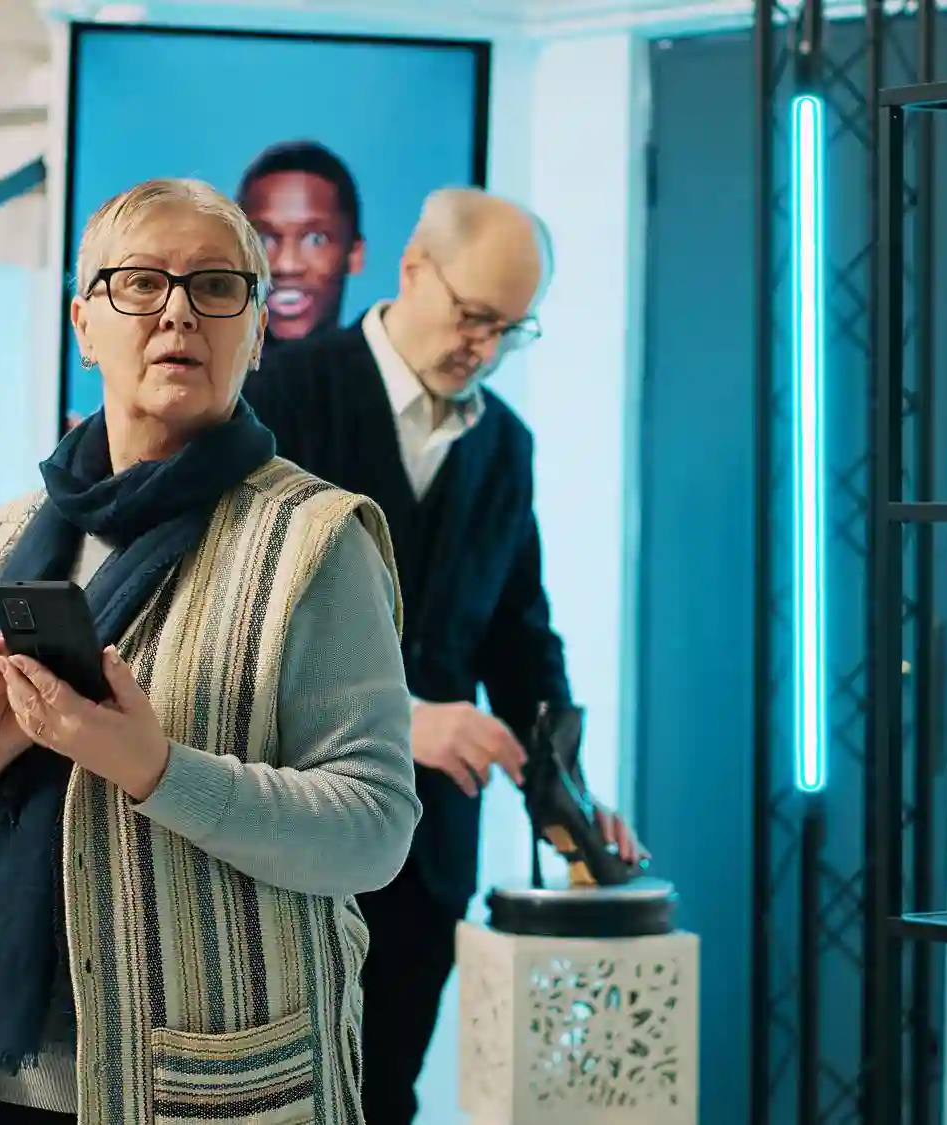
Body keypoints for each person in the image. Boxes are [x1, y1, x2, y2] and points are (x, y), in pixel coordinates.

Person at [0, 177, 419, 1125]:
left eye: (215, 287)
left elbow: (375, 827)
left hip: (214, 1093)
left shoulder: (314, 543)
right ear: (84, 323)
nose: (178, 315)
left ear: (255, 325)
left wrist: (154, 768)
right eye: (141, 284)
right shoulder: (4, 538)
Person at [245, 186, 648, 1125]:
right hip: (281, 837)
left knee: (384, 1095)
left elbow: (520, 635)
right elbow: (238, 623)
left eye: (512, 330)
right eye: (474, 317)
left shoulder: (505, 443)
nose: (487, 348)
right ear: (412, 270)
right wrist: (404, 720)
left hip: (425, 857)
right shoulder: (278, 399)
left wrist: (568, 790)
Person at [238, 140, 366, 344]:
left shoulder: (386, 373)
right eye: (263, 239)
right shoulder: (198, 372)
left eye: (315, 239)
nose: (287, 265)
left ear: (355, 254)